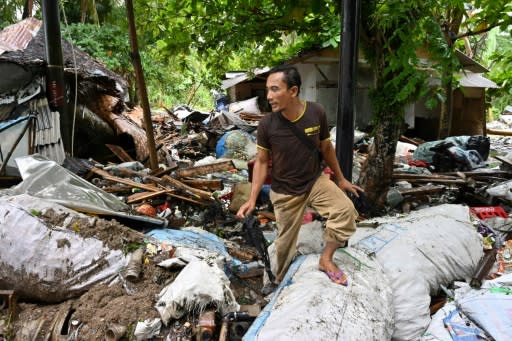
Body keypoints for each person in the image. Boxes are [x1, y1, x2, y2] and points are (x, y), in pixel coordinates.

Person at [237, 65, 363, 288]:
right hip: (285, 191)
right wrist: (252, 198)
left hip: (315, 181)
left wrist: (341, 179)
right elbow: (262, 162)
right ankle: (277, 284)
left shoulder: (316, 112)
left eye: (275, 89)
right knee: (284, 246)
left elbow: (326, 148)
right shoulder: (267, 124)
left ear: (293, 91)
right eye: (268, 90)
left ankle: (326, 259)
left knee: (345, 212)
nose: (269, 96)